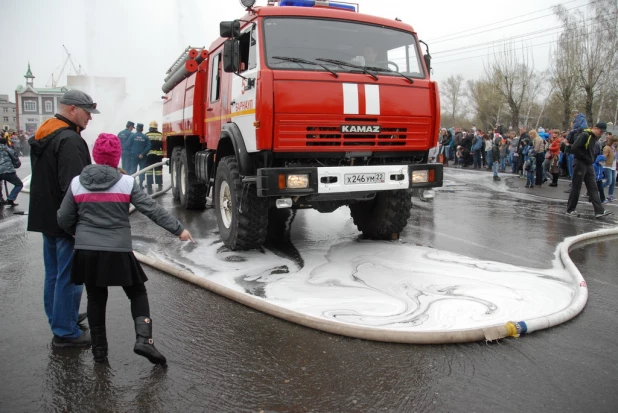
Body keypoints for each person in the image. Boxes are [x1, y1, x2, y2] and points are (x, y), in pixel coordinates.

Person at [57, 133, 194, 364]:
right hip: (118, 250)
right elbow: (152, 209)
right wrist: (178, 229)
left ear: (95, 154)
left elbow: (63, 217)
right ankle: (144, 340)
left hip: (87, 251)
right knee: (137, 292)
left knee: (96, 297)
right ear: (116, 156)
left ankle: (99, 352)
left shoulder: (77, 183)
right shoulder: (126, 182)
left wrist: (76, 232)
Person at [27, 89, 99, 347]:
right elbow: (74, 186)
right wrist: (78, 224)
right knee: (70, 276)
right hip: (65, 220)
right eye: (87, 112)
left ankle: (60, 317)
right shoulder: (69, 140)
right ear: (72, 109)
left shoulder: (45, 132)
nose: (90, 118)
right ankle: (66, 332)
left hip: (46, 216)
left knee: (54, 275)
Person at [566, 122, 611, 217]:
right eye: (601, 131)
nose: (601, 133)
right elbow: (574, 148)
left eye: (602, 132)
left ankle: (599, 210)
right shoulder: (585, 135)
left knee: (593, 187)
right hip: (580, 163)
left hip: (588, 164)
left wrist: (591, 159)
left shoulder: (594, 137)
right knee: (576, 187)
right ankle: (570, 210)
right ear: (596, 128)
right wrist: (586, 158)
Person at [0, 137, 23, 206]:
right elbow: (16, 160)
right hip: (7, 170)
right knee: (19, 184)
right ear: (5, 143)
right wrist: (16, 165)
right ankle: (10, 199)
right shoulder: (8, 149)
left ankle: (1, 200)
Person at [128, 123, 151, 188]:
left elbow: (128, 145)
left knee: (133, 169)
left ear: (137, 128)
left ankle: (132, 183)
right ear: (142, 129)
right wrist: (142, 153)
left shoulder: (132, 136)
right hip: (143, 156)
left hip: (134, 155)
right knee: (142, 170)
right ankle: (141, 184)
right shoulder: (145, 137)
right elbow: (149, 146)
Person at [145, 120, 164, 194]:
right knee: (158, 170)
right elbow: (162, 145)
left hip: (149, 155)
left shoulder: (146, 135)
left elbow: (145, 146)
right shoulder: (160, 135)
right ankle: (159, 183)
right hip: (158, 156)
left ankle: (149, 184)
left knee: (149, 170)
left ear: (150, 127)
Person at [602, 135, 616, 202]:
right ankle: (597, 189)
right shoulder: (607, 148)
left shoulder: (615, 148)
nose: (617, 142)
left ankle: (610, 195)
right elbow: (604, 156)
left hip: (613, 166)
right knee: (609, 181)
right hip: (607, 166)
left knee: (613, 182)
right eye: (615, 141)